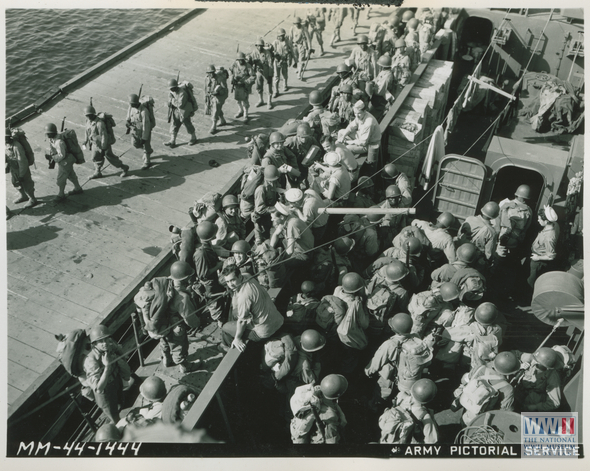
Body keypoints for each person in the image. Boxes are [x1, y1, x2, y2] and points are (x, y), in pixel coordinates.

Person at [134, 261, 202, 374]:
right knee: (179, 346)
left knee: (164, 341)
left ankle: (166, 359)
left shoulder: (164, 284)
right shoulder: (182, 298)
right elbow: (190, 320)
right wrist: (197, 323)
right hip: (175, 327)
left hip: (161, 324)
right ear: (185, 279)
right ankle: (184, 366)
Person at [365, 313, 432, 408]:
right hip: (410, 378)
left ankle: (375, 405)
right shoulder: (416, 337)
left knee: (382, 390)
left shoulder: (390, 344)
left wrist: (368, 372)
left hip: (393, 376)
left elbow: (376, 362)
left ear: (394, 329)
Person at [220, 265, 284, 352]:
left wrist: (237, 338)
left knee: (225, 327)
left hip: (263, 332)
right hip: (278, 320)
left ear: (239, 276)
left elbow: (242, 321)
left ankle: (227, 347)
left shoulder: (244, 296)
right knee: (235, 313)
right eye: (227, 282)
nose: (230, 285)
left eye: (233, 280)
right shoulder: (247, 275)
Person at [82, 325, 132, 423]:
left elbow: (122, 355)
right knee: (114, 416)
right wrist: (107, 367)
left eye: (106, 339)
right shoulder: (91, 360)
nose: (105, 343)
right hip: (105, 392)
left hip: (116, 381)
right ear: (94, 344)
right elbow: (99, 388)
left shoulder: (110, 346)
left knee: (121, 401)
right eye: (101, 341)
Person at [453, 351, 518, 425]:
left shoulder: (480, 368)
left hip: (467, 404)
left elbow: (464, 381)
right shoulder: (508, 388)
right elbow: (505, 412)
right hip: (482, 419)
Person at [290, 374, 348, 444]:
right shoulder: (331, 417)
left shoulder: (315, 392)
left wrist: (341, 414)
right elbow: (332, 441)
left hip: (297, 430)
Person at [83, 106, 129, 178]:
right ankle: (97, 172)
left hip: (104, 144)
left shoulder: (99, 123)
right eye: (86, 115)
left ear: (93, 114)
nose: (88, 117)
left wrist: (104, 147)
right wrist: (85, 141)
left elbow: (104, 135)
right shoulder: (88, 121)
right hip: (95, 144)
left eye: (89, 115)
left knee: (111, 158)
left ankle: (124, 167)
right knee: (95, 157)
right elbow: (86, 131)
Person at [270, 201, 314, 273]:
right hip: (296, 247)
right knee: (275, 242)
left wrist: (277, 261)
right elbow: (275, 234)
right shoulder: (286, 219)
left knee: (280, 264)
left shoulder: (292, 224)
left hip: (303, 254)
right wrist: (271, 249)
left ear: (281, 217)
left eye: (274, 218)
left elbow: (290, 251)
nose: (272, 220)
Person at [45, 122, 84, 203]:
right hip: (66, 160)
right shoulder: (52, 139)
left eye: (48, 134)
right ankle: (78, 188)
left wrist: (52, 157)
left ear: (52, 133)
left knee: (61, 178)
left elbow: (62, 155)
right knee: (70, 174)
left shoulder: (59, 142)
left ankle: (61, 194)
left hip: (65, 161)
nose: (47, 135)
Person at [514, 347, 562, 412]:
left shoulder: (553, 376)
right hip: (521, 391)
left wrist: (535, 407)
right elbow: (514, 353)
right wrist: (520, 365)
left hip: (533, 400)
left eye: (539, 365)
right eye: (536, 362)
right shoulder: (535, 358)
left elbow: (554, 403)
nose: (535, 364)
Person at [338, 100, 382, 165]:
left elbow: (363, 142)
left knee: (348, 148)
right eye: (355, 113)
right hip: (360, 136)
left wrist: (349, 142)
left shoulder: (368, 123)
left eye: (358, 113)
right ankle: (339, 151)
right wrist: (343, 136)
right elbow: (351, 126)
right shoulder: (360, 116)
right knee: (341, 132)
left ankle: (344, 161)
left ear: (364, 111)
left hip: (369, 144)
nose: (356, 115)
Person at [527, 205, 559, 289]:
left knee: (532, 282)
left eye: (540, 219)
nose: (538, 220)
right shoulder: (552, 225)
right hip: (537, 257)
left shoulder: (549, 237)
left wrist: (538, 258)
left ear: (546, 221)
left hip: (539, 262)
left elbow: (551, 256)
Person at [5, 128, 37, 208]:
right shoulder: (6, 144)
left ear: (9, 137)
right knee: (15, 183)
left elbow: (23, 162)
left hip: (22, 169)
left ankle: (32, 199)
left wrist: (22, 175)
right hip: (13, 168)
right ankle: (23, 196)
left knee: (27, 184)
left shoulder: (17, 147)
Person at [164, 79, 198, 148]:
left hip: (184, 112)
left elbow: (180, 104)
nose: (171, 90)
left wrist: (172, 101)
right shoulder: (172, 92)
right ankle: (172, 140)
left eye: (172, 88)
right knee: (174, 125)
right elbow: (170, 101)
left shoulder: (182, 93)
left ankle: (193, 137)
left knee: (187, 124)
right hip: (175, 111)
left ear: (175, 87)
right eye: (170, 88)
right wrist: (169, 102)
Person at [252, 165, 280, 245]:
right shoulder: (261, 190)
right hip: (261, 220)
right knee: (263, 239)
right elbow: (260, 209)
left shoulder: (273, 182)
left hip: (269, 217)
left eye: (274, 181)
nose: (273, 183)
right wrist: (275, 209)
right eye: (271, 181)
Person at [126, 93, 153, 169]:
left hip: (143, 130)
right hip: (135, 129)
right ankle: (147, 151)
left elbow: (146, 125)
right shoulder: (131, 107)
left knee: (146, 145)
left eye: (132, 104)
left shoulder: (144, 112)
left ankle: (147, 162)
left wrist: (144, 138)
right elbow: (128, 115)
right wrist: (127, 121)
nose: (131, 105)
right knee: (135, 144)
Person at [249, 37, 275, 110]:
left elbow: (270, 64)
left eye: (261, 45)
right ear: (256, 46)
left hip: (266, 71)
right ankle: (261, 100)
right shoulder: (254, 52)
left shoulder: (267, 53)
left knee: (268, 87)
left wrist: (270, 74)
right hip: (258, 72)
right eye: (258, 45)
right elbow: (251, 60)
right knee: (258, 86)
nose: (259, 47)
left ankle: (269, 102)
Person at [230, 52, 256, 124]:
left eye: (242, 60)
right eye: (239, 60)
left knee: (245, 100)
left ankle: (245, 114)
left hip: (244, 86)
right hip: (237, 85)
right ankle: (240, 111)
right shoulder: (234, 65)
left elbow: (253, 76)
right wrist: (232, 78)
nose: (240, 61)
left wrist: (246, 82)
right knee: (238, 100)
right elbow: (230, 71)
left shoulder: (248, 66)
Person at [204, 65, 228, 135]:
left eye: (212, 72)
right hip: (211, 96)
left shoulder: (219, 78)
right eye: (209, 73)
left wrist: (218, 92)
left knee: (215, 110)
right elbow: (205, 87)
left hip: (219, 96)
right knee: (216, 108)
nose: (211, 74)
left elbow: (225, 89)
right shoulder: (206, 78)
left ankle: (213, 126)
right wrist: (206, 96)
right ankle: (222, 120)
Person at [272, 28, 294, 96]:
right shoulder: (275, 42)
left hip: (284, 61)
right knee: (276, 76)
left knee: (285, 74)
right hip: (277, 61)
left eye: (282, 35)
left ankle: (285, 85)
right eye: (280, 36)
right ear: (277, 36)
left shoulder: (287, 42)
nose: (281, 37)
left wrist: (290, 60)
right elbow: (272, 50)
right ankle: (276, 90)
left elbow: (290, 50)